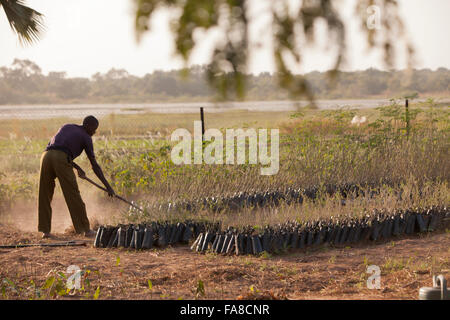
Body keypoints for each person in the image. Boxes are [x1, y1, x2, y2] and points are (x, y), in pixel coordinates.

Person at [38, 115, 115, 238]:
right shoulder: (86, 137)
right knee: (73, 195)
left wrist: (77, 168)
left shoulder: (67, 126)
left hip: (46, 156)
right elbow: (94, 165)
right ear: (87, 126)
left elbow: (57, 149)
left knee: (44, 194)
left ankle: (45, 231)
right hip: (61, 159)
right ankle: (86, 230)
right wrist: (108, 187)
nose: (94, 132)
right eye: (94, 129)